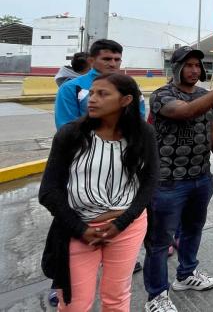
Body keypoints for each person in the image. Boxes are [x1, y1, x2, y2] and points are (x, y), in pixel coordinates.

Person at [39, 73, 158, 310]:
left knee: (116, 298)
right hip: (78, 230)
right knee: (74, 303)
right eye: (91, 93)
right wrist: (80, 229)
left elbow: (150, 183)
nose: (92, 99)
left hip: (127, 228)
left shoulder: (143, 134)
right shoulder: (71, 134)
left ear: (125, 100)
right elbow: (48, 191)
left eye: (102, 94)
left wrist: (121, 223)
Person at [143, 46, 213, 312]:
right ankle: (156, 296)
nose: (194, 70)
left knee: (193, 230)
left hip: (200, 177)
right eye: (188, 65)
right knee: (159, 241)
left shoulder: (203, 94)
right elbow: (185, 112)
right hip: (167, 182)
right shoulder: (162, 95)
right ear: (175, 68)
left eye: (198, 65)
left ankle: (186, 275)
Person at [55, 39, 144, 128]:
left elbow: (139, 119)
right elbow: (66, 128)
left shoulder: (130, 86)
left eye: (117, 59)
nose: (113, 64)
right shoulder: (71, 88)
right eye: (107, 59)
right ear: (91, 61)